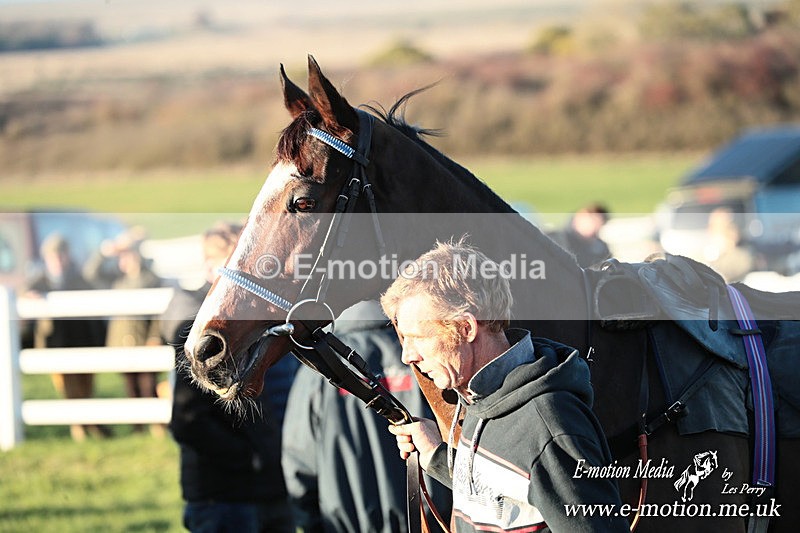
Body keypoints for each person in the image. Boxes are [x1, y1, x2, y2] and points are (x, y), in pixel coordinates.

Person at [382, 240, 628, 532]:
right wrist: (436, 455)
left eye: (418, 337)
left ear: (466, 328)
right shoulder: (481, 395)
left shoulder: (549, 423)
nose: (407, 355)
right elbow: (510, 495)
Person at [161, 221, 296, 533]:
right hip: (225, 494)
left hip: (274, 487)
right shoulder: (198, 333)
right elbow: (188, 419)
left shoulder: (262, 325)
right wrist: (248, 459)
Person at [281, 300, 451, 533]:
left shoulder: (316, 371)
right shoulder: (423, 358)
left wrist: (310, 524)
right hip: (433, 523)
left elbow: (299, 464)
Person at [24, 233, 109, 441]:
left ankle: (91, 426)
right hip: (56, 344)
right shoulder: (39, 281)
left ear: (67, 256)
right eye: (53, 257)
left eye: (60, 256)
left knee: (85, 386)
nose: (57, 261)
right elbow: (25, 292)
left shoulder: (79, 278)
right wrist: (29, 295)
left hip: (82, 341)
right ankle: (79, 428)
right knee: (67, 387)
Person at [84, 227, 163, 432]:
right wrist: (106, 251)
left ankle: (157, 424)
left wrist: (155, 337)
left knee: (147, 384)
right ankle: (138, 427)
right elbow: (90, 273)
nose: (123, 260)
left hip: (143, 338)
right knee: (130, 385)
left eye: (127, 255)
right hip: (122, 340)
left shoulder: (150, 278)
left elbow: (158, 313)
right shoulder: (115, 279)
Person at [549, 203, 612, 268]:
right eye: (592, 221)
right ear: (580, 217)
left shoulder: (601, 248)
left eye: (600, 224)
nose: (595, 228)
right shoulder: (554, 240)